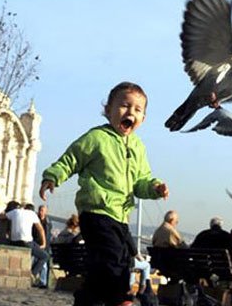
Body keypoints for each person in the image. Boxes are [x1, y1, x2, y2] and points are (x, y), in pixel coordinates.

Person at [40, 82, 170, 306]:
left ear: (143, 119)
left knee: (115, 261)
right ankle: (121, 299)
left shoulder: (138, 147)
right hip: (96, 211)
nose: (130, 112)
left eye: (138, 110)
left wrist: (155, 187)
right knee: (112, 260)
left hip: (120, 216)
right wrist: (53, 175)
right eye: (124, 106)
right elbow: (72, 158)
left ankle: (87, 299)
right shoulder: (97, 137)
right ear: (108, 110)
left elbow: (140, 182)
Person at [2, 201, 49, 288]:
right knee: (44, 256)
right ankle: (32, 273)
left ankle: (31, 273)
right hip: (26, 243)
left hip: (14, 241)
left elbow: (2, 216)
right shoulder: (32, 214)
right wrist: (44, 244)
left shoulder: (15, 211)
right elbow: (41, 230)